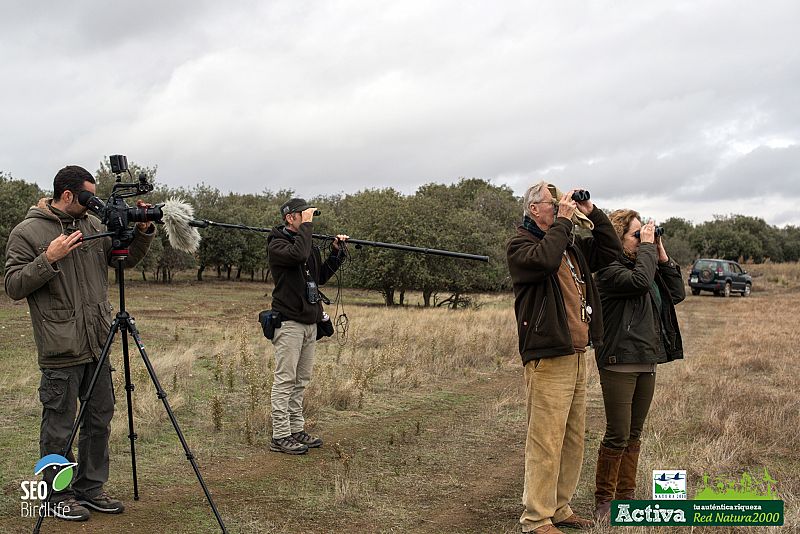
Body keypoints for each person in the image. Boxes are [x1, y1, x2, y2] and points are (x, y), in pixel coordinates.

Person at [4, 165, 155, 521]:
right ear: (68, 195)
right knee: (59, 427)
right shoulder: (27, 232)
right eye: (87, 196)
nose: (93, 203)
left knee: (99, 419)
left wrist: (142, 234)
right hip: (61, 346)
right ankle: (56, 497)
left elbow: (122, 261)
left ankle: (90, 489)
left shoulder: (91, 226)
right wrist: (48, 258)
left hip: (97, 342)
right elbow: (13, 285)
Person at [506, 181, 622, 534]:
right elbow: (543, 261)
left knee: (572, 436)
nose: (558, 207)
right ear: (534, 209)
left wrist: (593, 213)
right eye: (550, 203)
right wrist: (565, 224)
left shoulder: (569, 245)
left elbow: (612, 251)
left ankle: (559, 506)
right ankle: (536, 517)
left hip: (574, 352)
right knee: (545, 437)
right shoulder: (521, 245)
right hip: (547, 352)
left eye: (559, 203)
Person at [592, 211, 684, 519]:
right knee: (617, 433)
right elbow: (640, 281)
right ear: (619, 239)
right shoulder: (609, 271)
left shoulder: (644, 263)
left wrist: (660, 252)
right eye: (636, 235)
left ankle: (626, 496)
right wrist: (647, 248)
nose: (643, 239)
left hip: (646, 360)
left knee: (634, 432)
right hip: (619, 361)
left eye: (643, 234)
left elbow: (677, 293)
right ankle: (605, 499)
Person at [267, 198, 348, 455]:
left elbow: (320, 276)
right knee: (285, 380)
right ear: (290, 217)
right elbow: (298, 255)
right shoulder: (277, 244)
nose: (308, 219)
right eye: (304, 215)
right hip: (289, 321)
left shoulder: (305, 243)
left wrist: (336, 252)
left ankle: (296, 429)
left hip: (309, 321)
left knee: (301, 380)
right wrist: (308, 228)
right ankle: (280, 435)